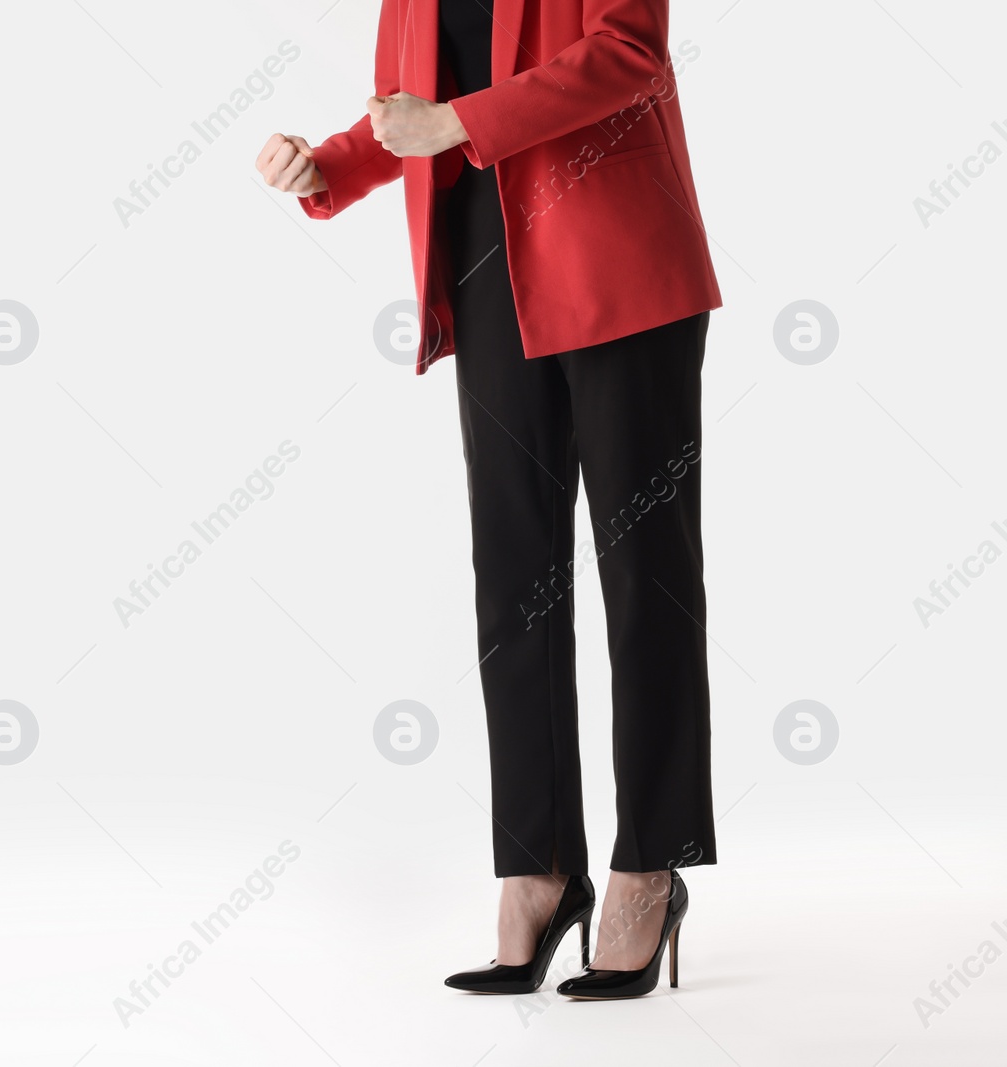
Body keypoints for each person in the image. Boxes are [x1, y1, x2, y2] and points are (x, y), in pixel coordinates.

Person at [255, 0, 722, 1000]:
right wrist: (325, 166)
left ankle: (651, 863)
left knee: (646, 577)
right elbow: (407, 116)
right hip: (482, 271)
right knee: (514, 579)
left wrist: (455, 124)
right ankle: (538, 870)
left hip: (616, 265)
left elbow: (627, 55)